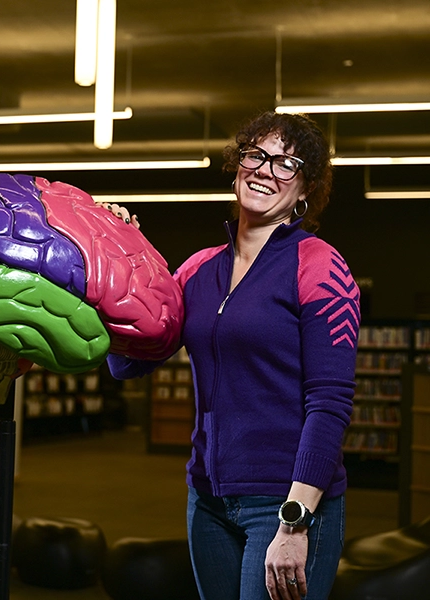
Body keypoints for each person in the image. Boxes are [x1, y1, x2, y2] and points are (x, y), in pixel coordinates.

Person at [107, 111, 359, 600]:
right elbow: (129, 363)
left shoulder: (319, 265)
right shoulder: (199, 269)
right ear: (238, 164)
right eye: (256, 155)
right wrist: (120, 263)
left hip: (285, 500)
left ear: (305, 189)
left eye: (287, 164)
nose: (266, 170)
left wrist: (295, 520)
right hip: (208, 500)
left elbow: (330, 402)